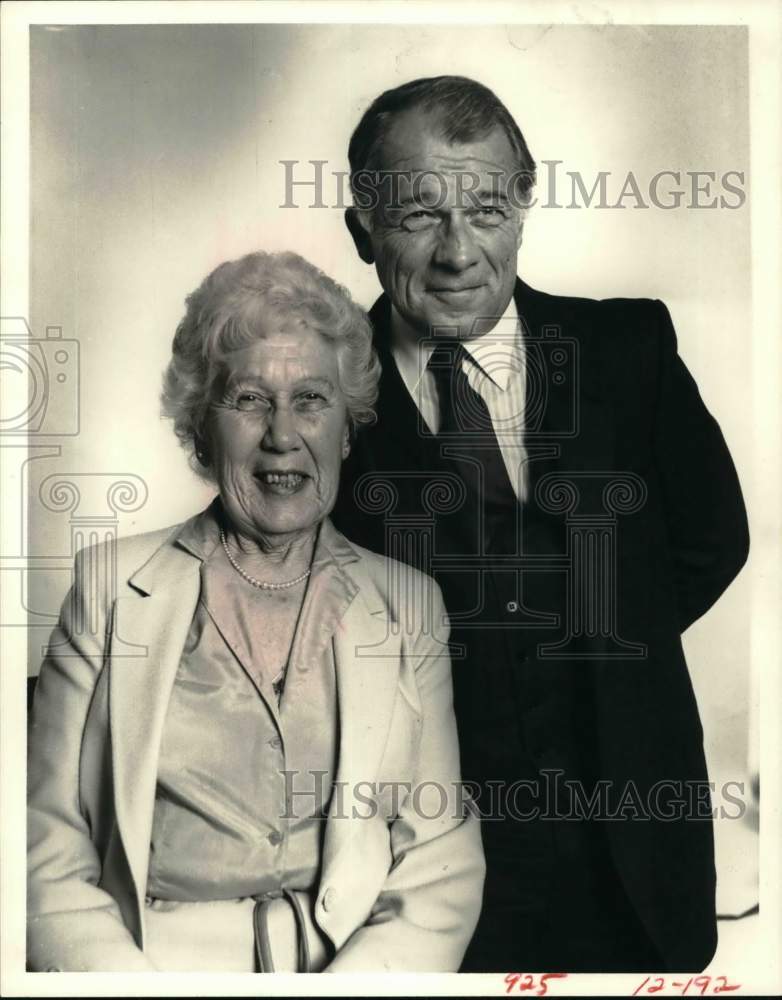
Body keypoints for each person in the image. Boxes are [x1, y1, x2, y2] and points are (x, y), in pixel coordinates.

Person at [332, 75, 750, 972]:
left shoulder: (628, 350)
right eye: (417, 217)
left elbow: (715, 538)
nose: (458, 252)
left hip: (635, 846)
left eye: (485, 210)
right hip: (416, 871)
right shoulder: (317, 396)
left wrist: (596, 644)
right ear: (361, 229)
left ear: (523, 208)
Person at [27, 250, 485, 973]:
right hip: (154, 967)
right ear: (201, 429)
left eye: (311, 399)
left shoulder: (409, 606)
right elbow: (40, 846)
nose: (281, 434)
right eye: (248, 400)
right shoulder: (110, 587)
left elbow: (439, 863)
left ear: (346, 429)